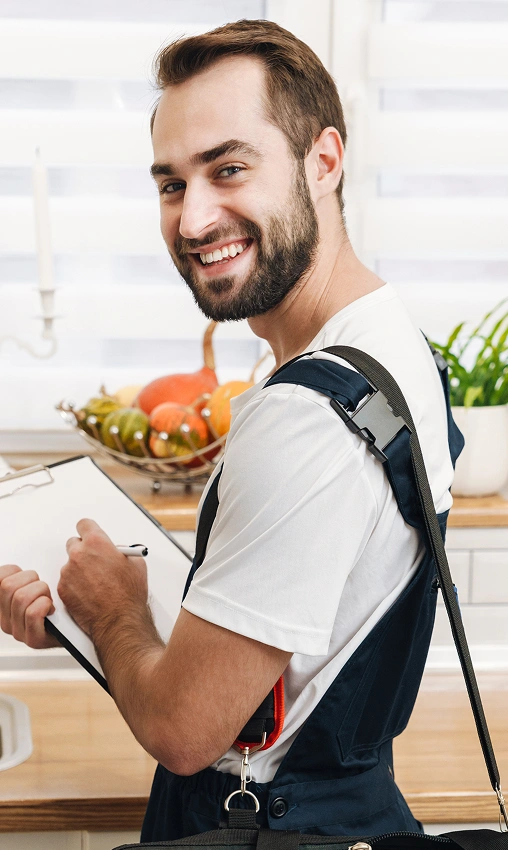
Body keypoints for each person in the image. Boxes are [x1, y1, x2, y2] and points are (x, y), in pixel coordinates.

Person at [0, 19, 459, 842]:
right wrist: (84, 611)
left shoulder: (300, 420)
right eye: (172, 184)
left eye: (230, 169)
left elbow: (184, 730)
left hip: (261, 824)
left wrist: (113, 616)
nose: (192, 218)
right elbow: (293, 615)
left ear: (324, 160)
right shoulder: (391, 345)